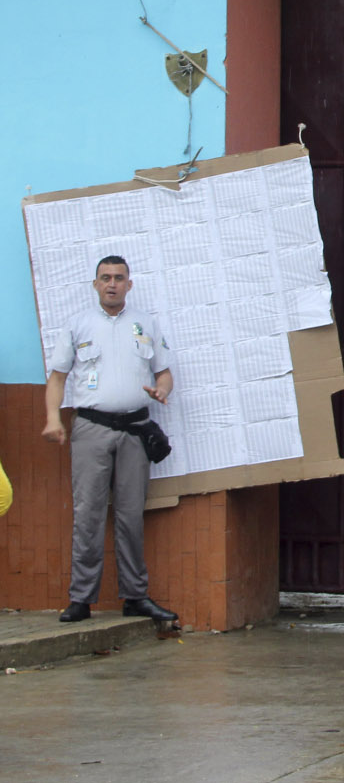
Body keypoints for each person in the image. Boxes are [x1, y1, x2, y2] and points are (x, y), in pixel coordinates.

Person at [42, 256, 178, 624]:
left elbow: (164, 373)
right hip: (91, 428)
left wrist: (162, 391)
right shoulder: (78, 325)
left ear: (129, 284)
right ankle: (81, 599)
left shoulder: (145, 323)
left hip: (135, 429)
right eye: (105, 278)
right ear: (96, 284)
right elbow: (57, 378)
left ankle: (135, 596)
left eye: (119, 278)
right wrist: (53, 418)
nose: (112, 284)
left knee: (131, 515)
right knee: (88, 514)